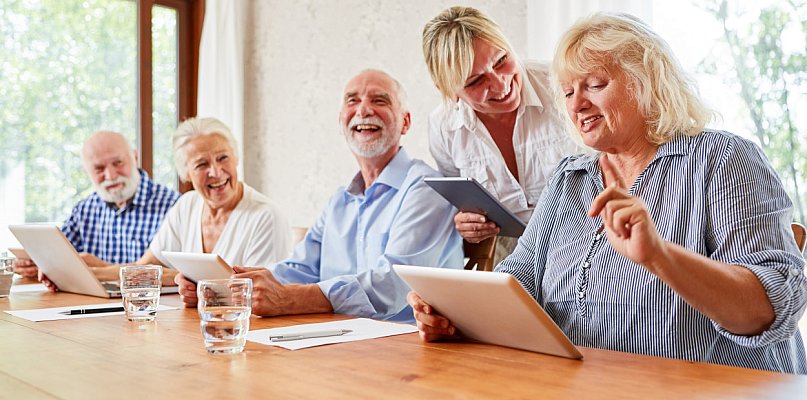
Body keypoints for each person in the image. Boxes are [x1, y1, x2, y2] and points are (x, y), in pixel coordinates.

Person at [409, 12, 807, 374]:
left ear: (647, 80)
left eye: (595, 85)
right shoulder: (570, 178)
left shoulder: (722, 159)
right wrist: (454, 313)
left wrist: (660, 256)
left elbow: (774, 308)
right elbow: (519, 279)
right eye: (568, 93)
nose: (578, 105)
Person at [176, 69, 464, 323]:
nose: (364, 109)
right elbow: (298, 268)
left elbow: (393, 285)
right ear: (341, 122)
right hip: (339, 340)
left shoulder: (427, 187)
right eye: (352, 101)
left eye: (380, 100)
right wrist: (223, 288)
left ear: (405, 122)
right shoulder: (340, 200)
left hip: (407, 346)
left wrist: (290, 299)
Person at [42, 117, 293, 289]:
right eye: (201, 164)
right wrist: (81, 273)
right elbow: (144, 269)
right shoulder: (187, 205)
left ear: (236, 159)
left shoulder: (265, 216)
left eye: (223, 158)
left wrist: (182, 279)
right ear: (186, 173)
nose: (216, 172)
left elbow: (255, 293)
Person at [422, 6, 585, 261]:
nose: (501, 84)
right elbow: (463, 202)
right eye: (475, 81)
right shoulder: (443, 127)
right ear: (448, 90)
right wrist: (468, 223)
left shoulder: (561, 85)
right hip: (509, 257)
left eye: (501, 61)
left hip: (584, 241)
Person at [13, 131, 179, 279]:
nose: (111, 175)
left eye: (118, 163)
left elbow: (176, 275)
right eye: (99, 169)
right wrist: (33, 263)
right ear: (87, 172)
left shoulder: (174, 207)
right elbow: (56, 256)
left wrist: (101, 268)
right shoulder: (85, 210)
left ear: (135, 158)